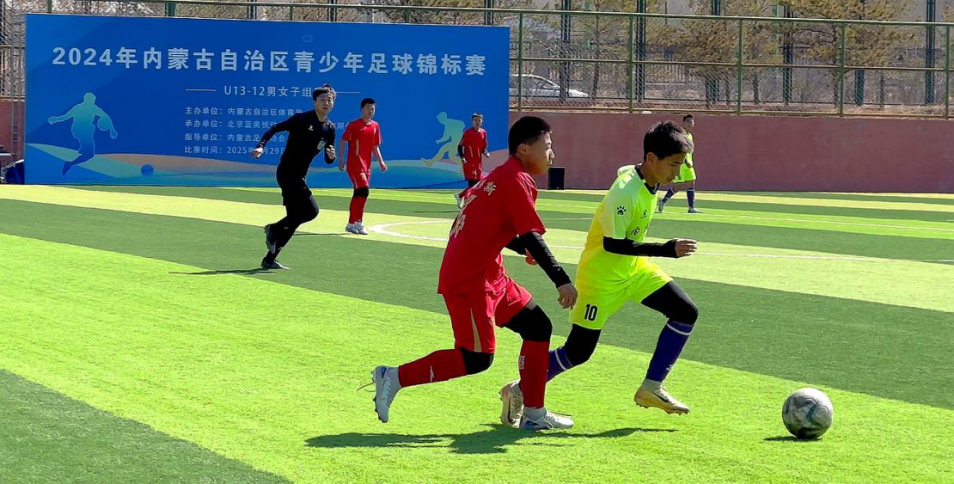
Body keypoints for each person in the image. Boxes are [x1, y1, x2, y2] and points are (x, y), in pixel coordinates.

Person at [367, 116, 578, 431]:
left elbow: (492, 226)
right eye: (547, 147)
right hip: (470, 279)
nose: (552, 154)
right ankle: (393, 376)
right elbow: (531, 235)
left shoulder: (500, 176)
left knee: (537, 327)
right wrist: (562, 280)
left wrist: (523, 248)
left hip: (490, 274)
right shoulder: (516, 179)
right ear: (524, 149)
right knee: (476, 358)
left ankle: (534, 414)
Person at [499, 121, 700, 427]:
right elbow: (613, 244)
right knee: (578, 352)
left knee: (685, 312)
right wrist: (667, 249)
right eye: (673, 164)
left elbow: (630, 169)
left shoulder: (650, 174)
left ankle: (651, 387)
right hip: (600, 279)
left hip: (634, 270)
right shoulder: (625, 192)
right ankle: (519, 389)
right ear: (651, 159)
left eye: (680, 164)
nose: (678, 172)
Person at [252, 84, 337, 270]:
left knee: (294, 219)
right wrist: (261, 145)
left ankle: (269, 259)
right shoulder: (301, 119)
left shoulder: (329, 128)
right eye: (322, 99)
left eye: (329, 100)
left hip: (300, 175)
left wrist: (331, 156)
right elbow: (275, 128)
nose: (326, 103)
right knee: (311, 211)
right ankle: (273, 228)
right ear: (314, 102)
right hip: (287, 172)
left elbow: (328, 157)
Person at [340, 98, 386, 235]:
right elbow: (343, 141)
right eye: (367, 108)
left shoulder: (375, 126)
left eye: (373, 108)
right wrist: (341, 160)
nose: (370, 111)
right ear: (361, 109)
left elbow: (375, 146)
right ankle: (356, 222)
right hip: (355, 166)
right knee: (363, 190)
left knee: (360, 194)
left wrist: (381, 162)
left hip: (367, 167)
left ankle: (353, 224)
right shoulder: (353, 125)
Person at [47, 92, 118, 175]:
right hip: (81, 131)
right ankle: (70, 163)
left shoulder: (88, 107)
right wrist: (55, 119)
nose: (93, 102)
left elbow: (106, 117)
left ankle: (83, 148)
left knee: (91, 129)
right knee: (89, 154)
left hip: (78, 131)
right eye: (92, 100)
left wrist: (112, 129)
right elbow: (65, 117)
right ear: (87, 100)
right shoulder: (86, 108)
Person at [658, 114, 702, 214]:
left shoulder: (690, 136)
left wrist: (689, 161)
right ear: (684, 123)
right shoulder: (680, 135)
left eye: (692, 122)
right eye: (688, 121)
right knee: (678, 186)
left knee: (691, 183)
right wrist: (685, 161)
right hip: (681, 165)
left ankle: (691, 207)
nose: (690, 123)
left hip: (689, 165)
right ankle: (663, 201)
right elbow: (679, 149)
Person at [454, 112, 490, 209]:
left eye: (479, 120)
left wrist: (485, 153)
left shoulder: (483, 133)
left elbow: (483, 148)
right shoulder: (467, 133)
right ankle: (467, 203)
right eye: (475, 120)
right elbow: (459, 147)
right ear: (472, 121)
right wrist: (462, 157)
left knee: (477, 184)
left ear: (482, 122)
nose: (477, 122)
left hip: (478, 163)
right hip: (469, 162)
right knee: (472, 183)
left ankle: (461, 196)